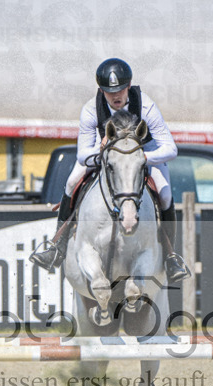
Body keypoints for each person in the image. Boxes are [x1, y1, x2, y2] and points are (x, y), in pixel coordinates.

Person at [30, 58, 191, 283]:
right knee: (71, 181)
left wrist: (142, 157)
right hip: (104, 155)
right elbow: (82, 155)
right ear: (101, 90)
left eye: (121, 89)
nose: (116, 96)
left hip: (145, 155)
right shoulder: (90, 109)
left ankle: (170, 256)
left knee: (164, 194)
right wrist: (103, 150)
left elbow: (170, 149)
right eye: (109, 91)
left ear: (129, 85)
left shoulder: (146, 105)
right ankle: (57, 247)